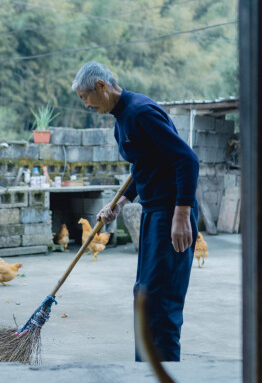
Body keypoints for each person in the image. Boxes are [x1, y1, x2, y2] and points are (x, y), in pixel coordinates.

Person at [72, 61, 199, 362]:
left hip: (170, 212)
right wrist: (120, 202)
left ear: (101, 86)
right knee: (144, 295)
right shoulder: (122, 118)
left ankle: (165, 379)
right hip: (153, 212)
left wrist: (181, 216)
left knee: (160, 301)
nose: (86, 105)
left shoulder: (140, 111)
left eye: (84, 98)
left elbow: (187, 160)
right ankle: (144, 372)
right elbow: (144, 166)